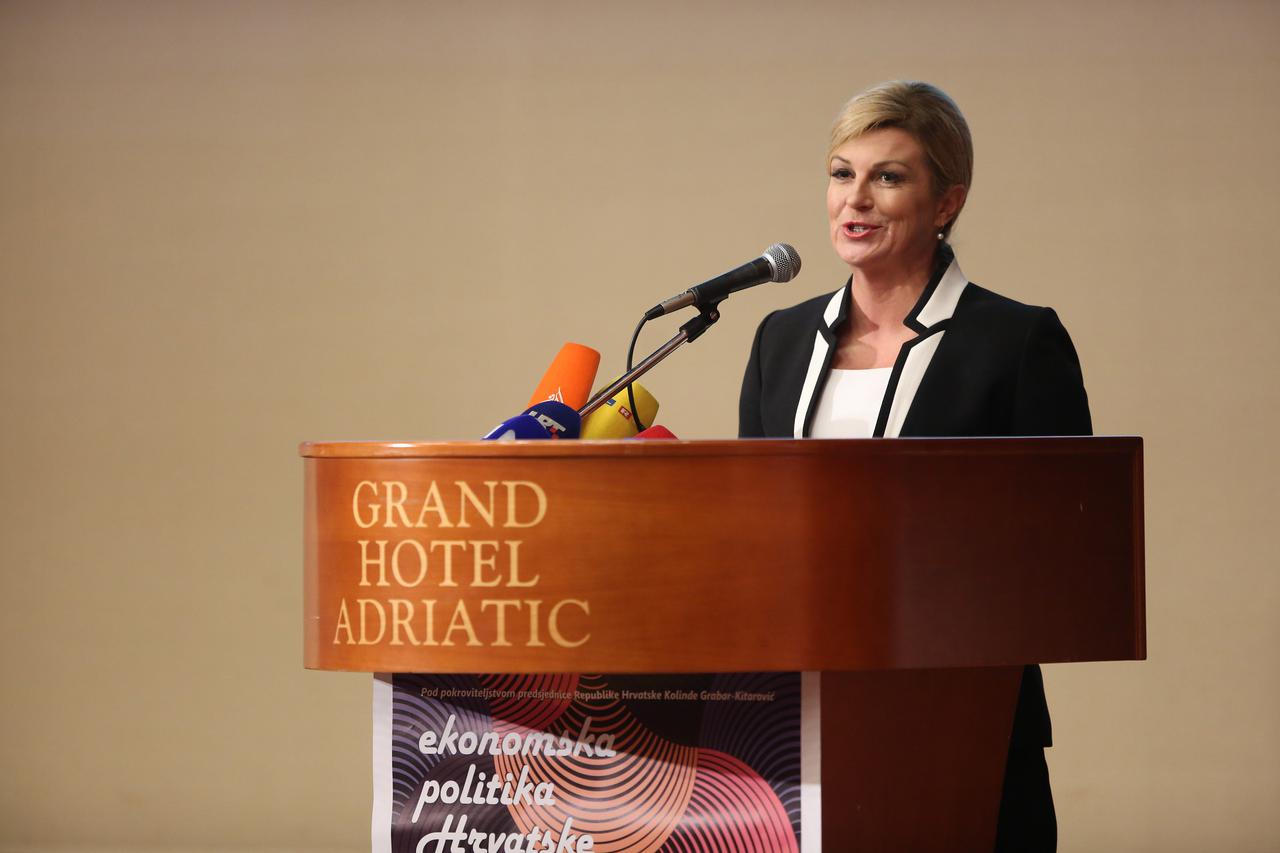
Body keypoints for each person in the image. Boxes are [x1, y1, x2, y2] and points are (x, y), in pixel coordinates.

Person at [738, 80, 1091, 851]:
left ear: (946, 203)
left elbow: (1068, 541)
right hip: (801, 718)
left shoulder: (1015, 342)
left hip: (965, 716)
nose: (855, 198)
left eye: (888, 176)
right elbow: (753, 527)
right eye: (841, 173)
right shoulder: (781, 341)